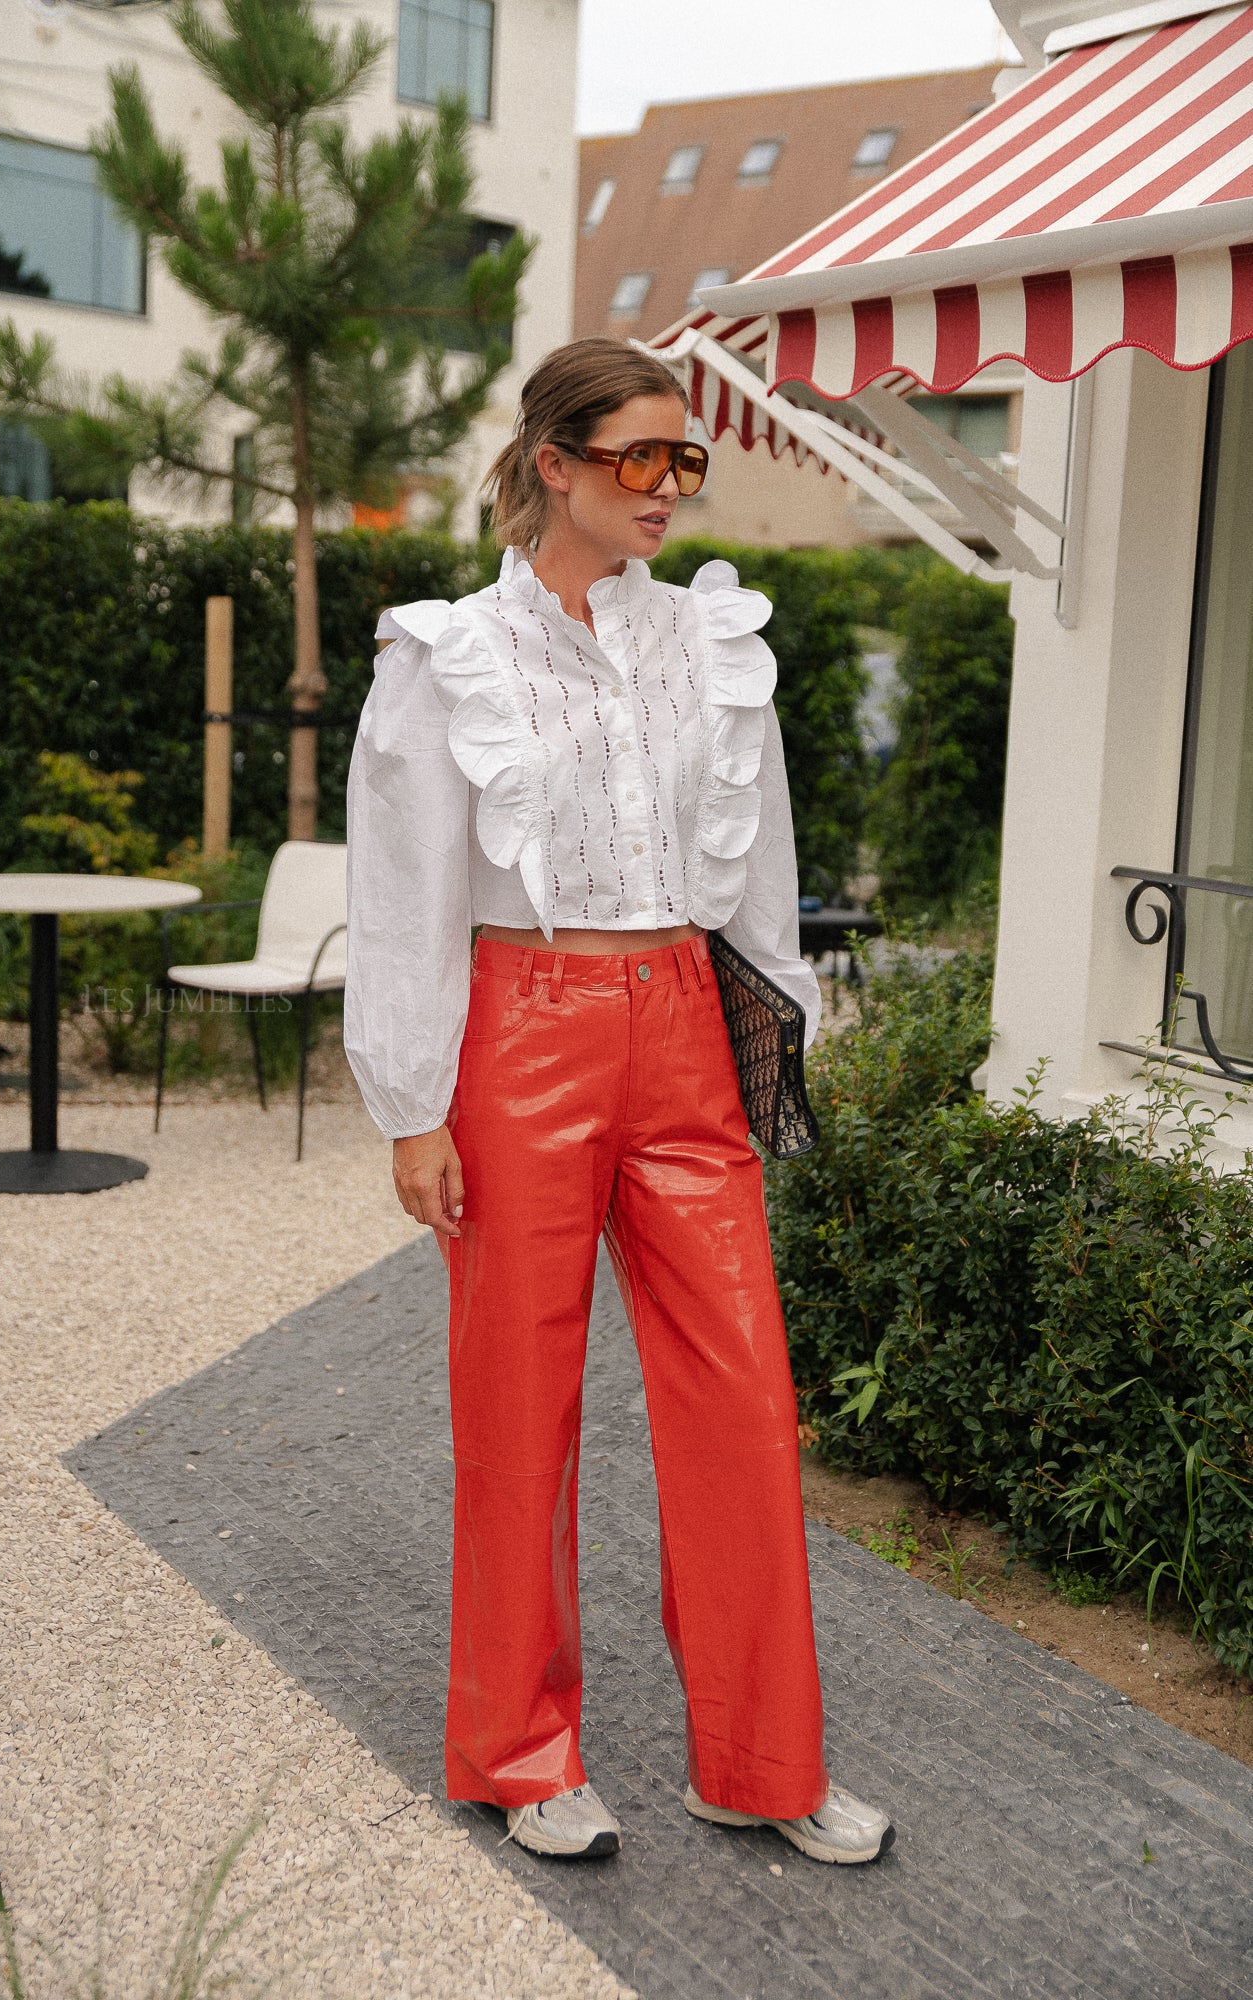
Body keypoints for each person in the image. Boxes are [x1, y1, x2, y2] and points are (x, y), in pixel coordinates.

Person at [344, 337, 894, 1867]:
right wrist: (411, 1100)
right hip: (519, 1031)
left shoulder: (715, 643)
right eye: (639, 458)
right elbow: (404, 897)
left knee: (745, 1399)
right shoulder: (447, 654)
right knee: (517, 1412)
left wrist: (771, 1056)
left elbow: (761, 877)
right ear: (554, 465)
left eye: (685, 461)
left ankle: (762, 1762)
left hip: (685, 1023)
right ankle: (521, 1752)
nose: (667, 488)